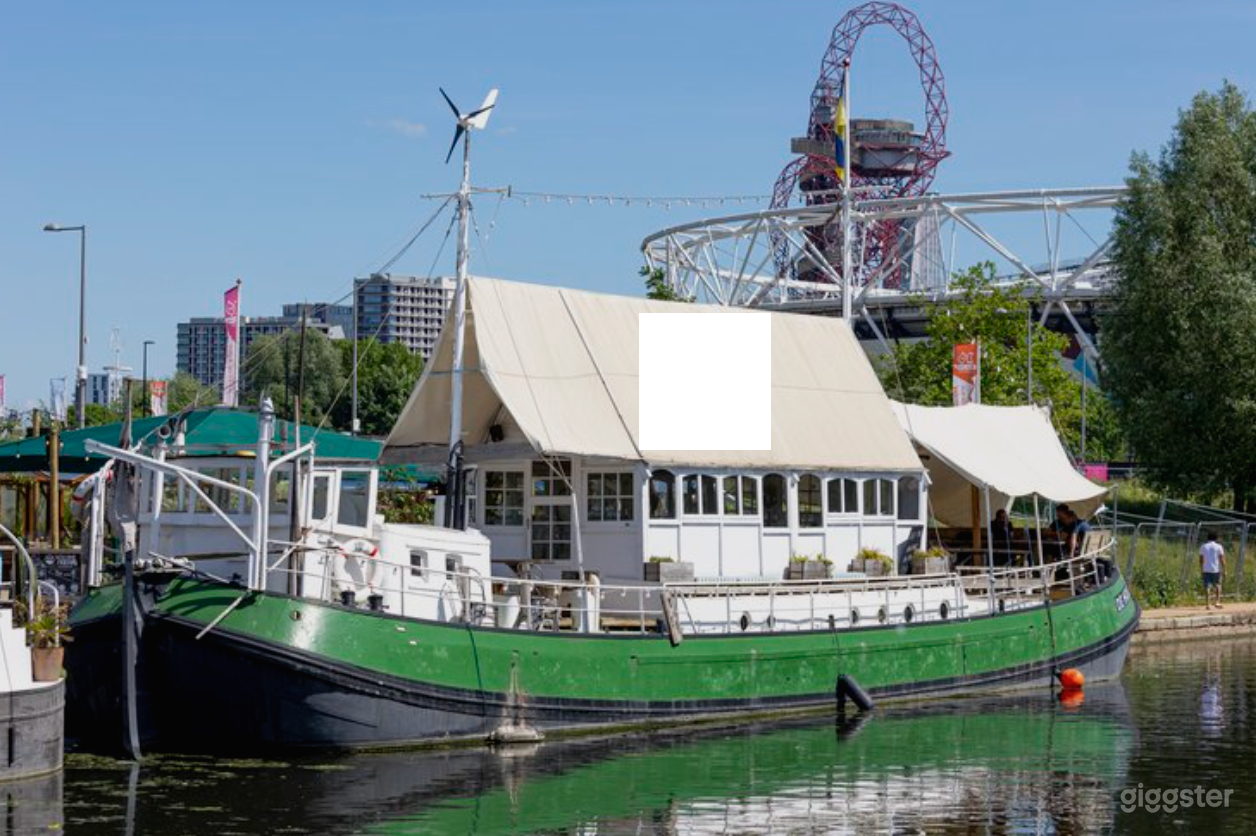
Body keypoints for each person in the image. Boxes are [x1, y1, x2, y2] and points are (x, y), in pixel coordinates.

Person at [1199, 531, 1226, 610]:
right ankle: (1217, 602)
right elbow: (1222, 559)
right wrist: (1224, 569)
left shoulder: (1203, 546)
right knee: (1218, 585)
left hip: (1206, 569)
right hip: (1216, 569)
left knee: (1207, 586)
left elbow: (1201, 559)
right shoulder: (1219, 546)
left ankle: (1207, 604)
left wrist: (1201, 568)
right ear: (1216, 538)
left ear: (1208, 538)